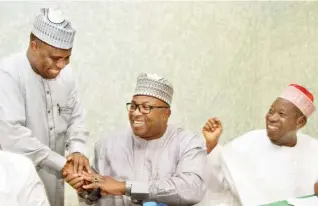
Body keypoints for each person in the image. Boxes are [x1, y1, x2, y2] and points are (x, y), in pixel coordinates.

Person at [64, 73, 208, 205]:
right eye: (133, 106)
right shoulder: (108, 145)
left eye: (146, 107)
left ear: (166, 114)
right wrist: (86, 186)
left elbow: (191, 189)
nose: (136, 113)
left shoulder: (188, 143)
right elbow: (99, 189)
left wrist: (125, 187)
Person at [0, 8, 91, 206]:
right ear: (34, 46)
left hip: (56, 180)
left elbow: (76, 117)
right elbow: (12, 136)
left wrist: (77, 151)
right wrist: (62, 164)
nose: (61, 65)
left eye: (67, 57)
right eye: (55, 58)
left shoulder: (67, 76)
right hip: (14, 185)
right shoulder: (7, 74)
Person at [200, 84, 318, 206]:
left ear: (300, 122)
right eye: (271, 111)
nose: (272, 118)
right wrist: (211, 145)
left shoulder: (314, 149)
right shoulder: (248, 142)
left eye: (282, 114)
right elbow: (217, 178)